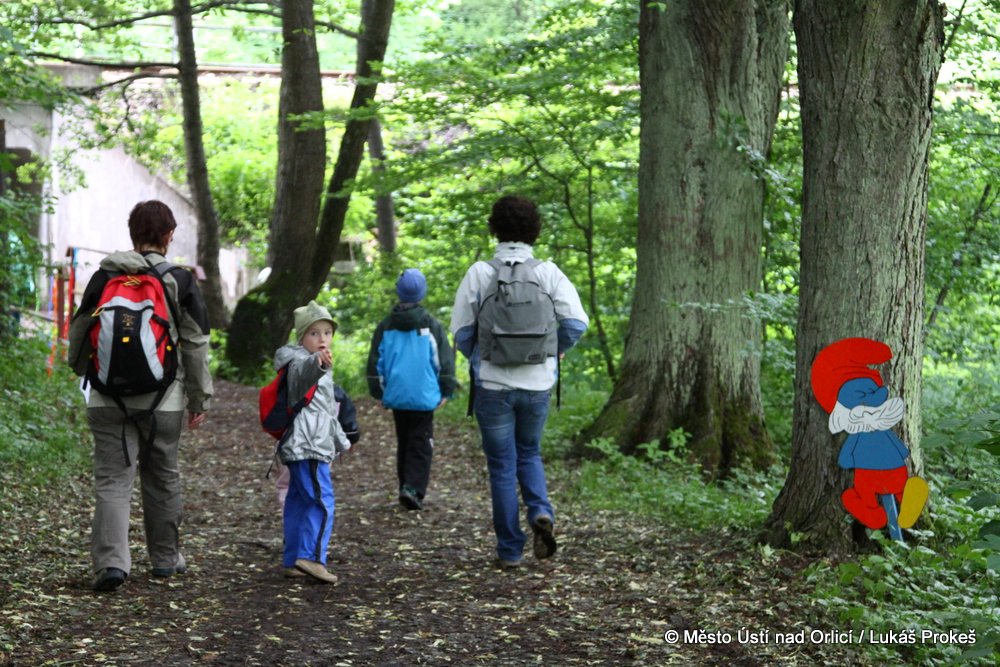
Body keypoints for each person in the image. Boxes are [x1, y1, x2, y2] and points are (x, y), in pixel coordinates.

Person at [67, 200, 213, 592]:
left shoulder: (105, 276)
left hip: (106, 397)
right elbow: (196, 344)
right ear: (169, 236)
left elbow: (80, 329)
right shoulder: (179, 280)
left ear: (132, 234)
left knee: (113, 480)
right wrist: (199, 398)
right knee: (161, 475)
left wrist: (81, 369)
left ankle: (111, 564)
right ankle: (165, 559)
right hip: (163, 400)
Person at [450, 196, 588, 569]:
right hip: (537, 383)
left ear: (494, 228)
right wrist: (553, 349)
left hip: (493, 384)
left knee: (501, 466)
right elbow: (576, 322)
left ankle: (510, 550)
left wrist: (482, 355)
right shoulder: (548, 272)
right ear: (534, 230)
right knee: (529, 452)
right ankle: (541, 512)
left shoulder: (480, 272)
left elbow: (461, 331)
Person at [273, 300, 351, 583]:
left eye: (327, 333)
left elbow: (326, 413)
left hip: (306, 443)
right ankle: (312, 557)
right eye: (314, 333)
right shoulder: (297, 362)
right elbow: (302, 374)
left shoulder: (317, 366)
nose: (322, 339)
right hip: (308, 446)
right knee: (321, 501)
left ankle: (293, 558)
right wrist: (316, 363)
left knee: (298, 501)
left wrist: (341, 441)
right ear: (301, 336)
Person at [366, 268, 457, 510]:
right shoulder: (431, 325)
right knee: (421, 442)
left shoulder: (386, 326)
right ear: (422, 293)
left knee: (404, 440)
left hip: (397, 394)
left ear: (399, 292)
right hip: (424, 396)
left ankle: (405, 486)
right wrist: (446, 389)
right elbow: (443, 361)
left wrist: (379, 392)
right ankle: (413, 488)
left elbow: (376, 362)